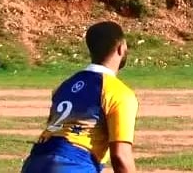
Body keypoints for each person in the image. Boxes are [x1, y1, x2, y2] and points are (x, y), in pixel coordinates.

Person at [21, 21, 138, 173]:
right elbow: (121, 156)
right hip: (73, 164)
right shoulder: (119, 93)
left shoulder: (64, 86)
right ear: (121, 48)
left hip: (35, 161)